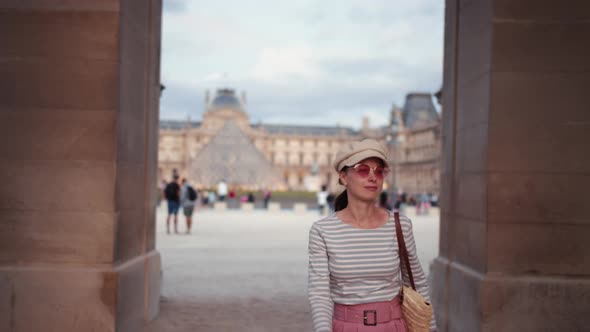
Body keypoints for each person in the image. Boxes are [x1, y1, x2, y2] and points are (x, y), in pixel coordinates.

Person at [307, 139, 436, 332]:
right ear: (343, 176)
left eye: (379, 171)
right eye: (363, 170)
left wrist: (431, 329)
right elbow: (319, 293)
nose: (372, 177)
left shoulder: (400, 225)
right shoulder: (323, 230)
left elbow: (417, 283)